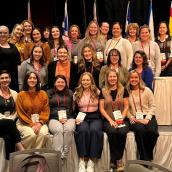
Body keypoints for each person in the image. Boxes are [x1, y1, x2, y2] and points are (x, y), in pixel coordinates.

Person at [99, 69, 130, 171]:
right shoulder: (103, 90)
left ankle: (117, 159)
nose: (112, 78)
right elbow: (101, 109)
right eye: (110, 77)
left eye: (114, 76)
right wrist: (111, 121)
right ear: (107, 78)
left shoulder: (123, 90)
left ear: (117, 77)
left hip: (122, 119)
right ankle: (116, 160)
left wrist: (121, 118)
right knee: (112, 131)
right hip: (108, 120)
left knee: (122, 132)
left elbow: (126, 107)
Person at [74, 72, 103, 172]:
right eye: (83, 80)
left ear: (91, 81)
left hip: (95, 116)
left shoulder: (97, 92)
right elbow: (73, 109)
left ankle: (91, 160)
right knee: (83, 131)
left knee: (95, 131)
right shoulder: (77, 92)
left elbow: (102, 107)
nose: (85, 82)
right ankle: (82, 160)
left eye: (87, 80)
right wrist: (75, 118)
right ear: (81, 81)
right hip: (82, 117)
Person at [127, 70, 159, 161]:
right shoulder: (127, 92)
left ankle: (148, 155)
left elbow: (153, 106)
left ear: (139, 78)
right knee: (141, 131)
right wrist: (130, 117)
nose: (134, 79)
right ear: (129, 79)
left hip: (148, 116)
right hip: (135, 117)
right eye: (131, 77)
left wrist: (147, 119)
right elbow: (125, 108)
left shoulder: (147, 90)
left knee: (153, 132)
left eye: (136, 77)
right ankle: (145, 160)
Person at [16, 72, 50, 149]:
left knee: (43, 134)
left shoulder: (43, 94)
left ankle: (36, 155)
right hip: (24, 122)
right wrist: (32, 125)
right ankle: (26, 156)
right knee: (31, 135)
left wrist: (40, 123)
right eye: (30, 78)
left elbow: (45, 111)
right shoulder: (20, 95)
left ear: (37, 81)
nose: (32, 80)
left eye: (34, 78)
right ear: (26, 80)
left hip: (40, 122)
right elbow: (21, 113)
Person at [47, 75, 75, 159]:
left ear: (65, 83)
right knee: (58, 130)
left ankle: (64, 154)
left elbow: (73, 108)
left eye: (62, 82)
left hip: (69, 117)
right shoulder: (49, 93)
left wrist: (66, 117)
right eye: (58, 82)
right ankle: (58, 155)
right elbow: (47, 108)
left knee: (68, 129)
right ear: (55, 83)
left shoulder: (70, 93)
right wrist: (58, 117)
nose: (60, 84)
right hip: (53, 118)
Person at [0, 70, 24, 160]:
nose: (4, 80)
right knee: (9, 123)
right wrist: (6, 119)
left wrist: (11, 118)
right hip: (1, 121)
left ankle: (9, 164)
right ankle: (21, 149)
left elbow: (17, 110)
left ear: (10, 79)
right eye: (2, 78)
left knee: (8, 137)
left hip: (9, 124)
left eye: (6, 78)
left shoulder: (14, 93)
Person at [0, 25, 21, 91]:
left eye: (5, 33)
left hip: (12, 78)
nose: (2, 34)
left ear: (9, 34)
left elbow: (18, 64)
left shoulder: (13, 47)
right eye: (0, 33)